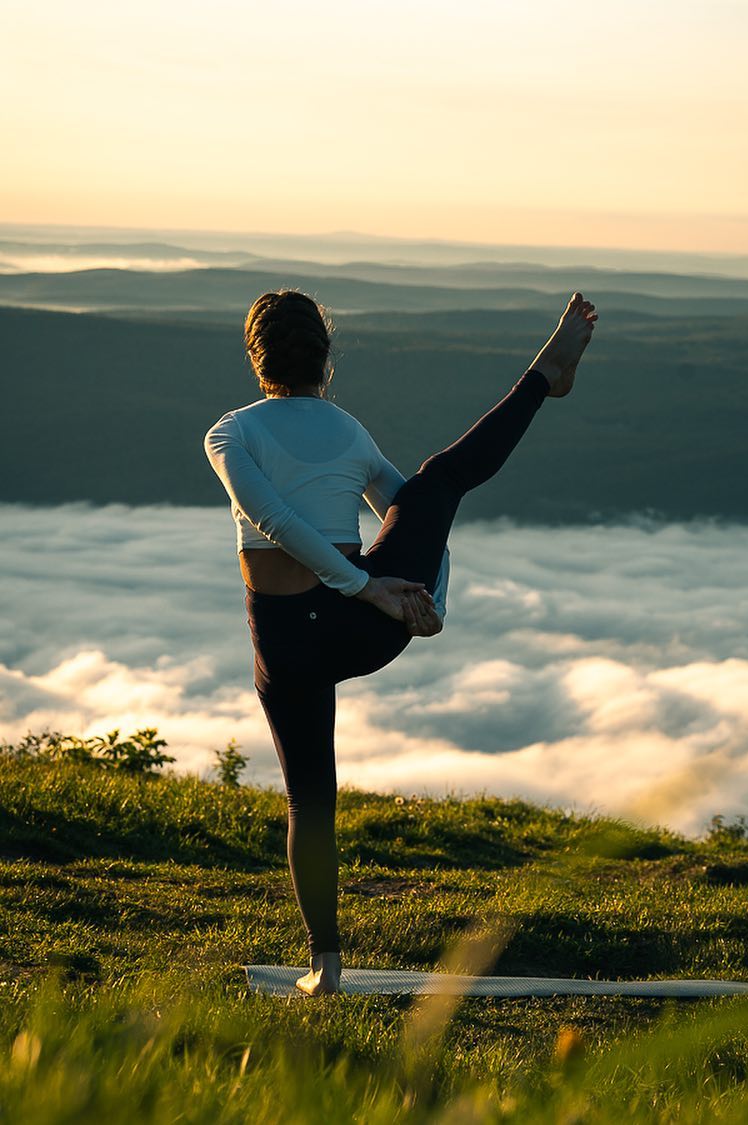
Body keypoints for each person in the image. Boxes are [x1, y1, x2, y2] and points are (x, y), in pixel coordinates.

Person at [203, 289, 597, 995]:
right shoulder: (347, 431)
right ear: (327, 356)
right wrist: (402, 591)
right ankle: (543, 378)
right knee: (439, 480)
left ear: (255, 357)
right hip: (362, 623)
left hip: (292, 638)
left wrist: (393, 593)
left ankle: (324, 965)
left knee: (309, 800)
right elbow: (414, 516)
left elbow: (272, 522)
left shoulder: (229, 433)